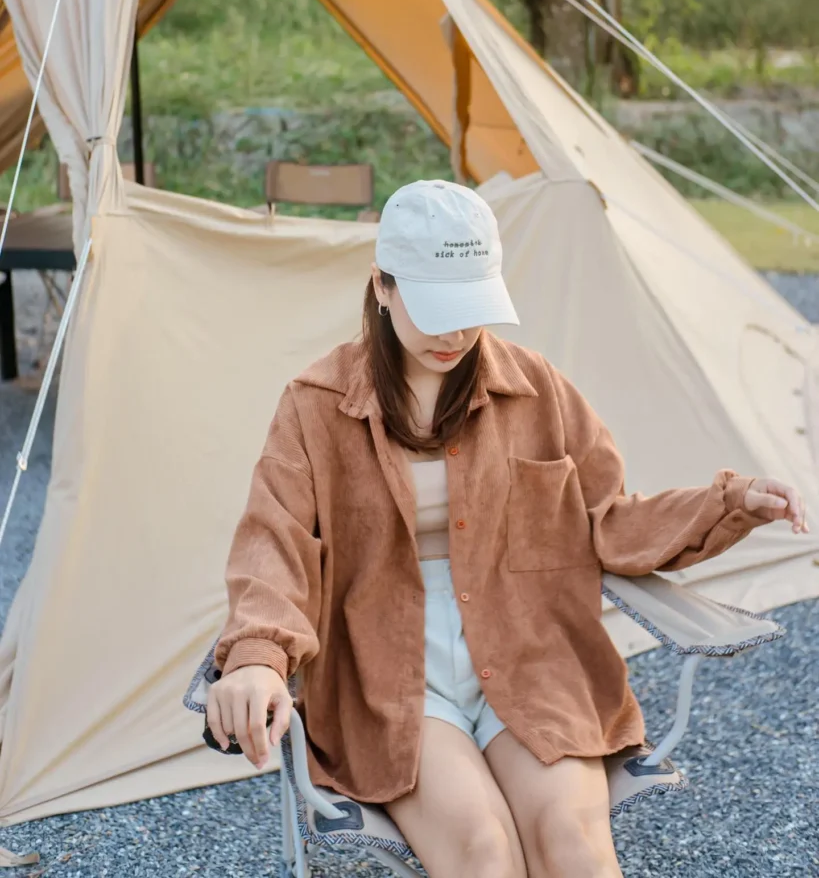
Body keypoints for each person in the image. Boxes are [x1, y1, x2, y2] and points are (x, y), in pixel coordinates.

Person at [206, 179, 807, 878]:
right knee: (484, 852)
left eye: (471, 308)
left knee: (572, 847)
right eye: (436, 309)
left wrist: (729, 503)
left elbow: (608, 520)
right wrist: (255, 657)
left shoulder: (537, 389)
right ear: (382, 287)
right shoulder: (314, 405)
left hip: (527, 652)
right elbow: (273, 546)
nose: (455, 333)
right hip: (388, 674)